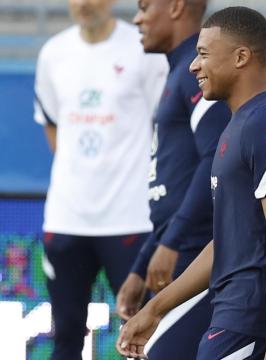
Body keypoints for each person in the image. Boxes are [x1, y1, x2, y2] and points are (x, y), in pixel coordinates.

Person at [116, 7, 266, 360]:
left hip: (254, 317)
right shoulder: (239, 124)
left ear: (241, 57)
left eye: (204, 54)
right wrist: (155, 309)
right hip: (236, 313)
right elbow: (227, 240)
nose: (194, 65)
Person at [33, 0, 168, 358]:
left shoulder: (143, 48)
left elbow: (167, 125)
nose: (85, 4)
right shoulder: (53, 54)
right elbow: (52, 126)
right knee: (66, 336)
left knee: (141, 336)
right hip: (67, 219)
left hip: (130, 219)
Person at [114, 0, 231, 358]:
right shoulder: (180, 70)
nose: (137, 18)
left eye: (145, 7)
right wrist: (141, 264)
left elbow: (216, 158)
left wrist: (173, 243)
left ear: (177, 7)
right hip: (179, 248)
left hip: (198, 255)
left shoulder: (198, 72)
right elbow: (176, 195)